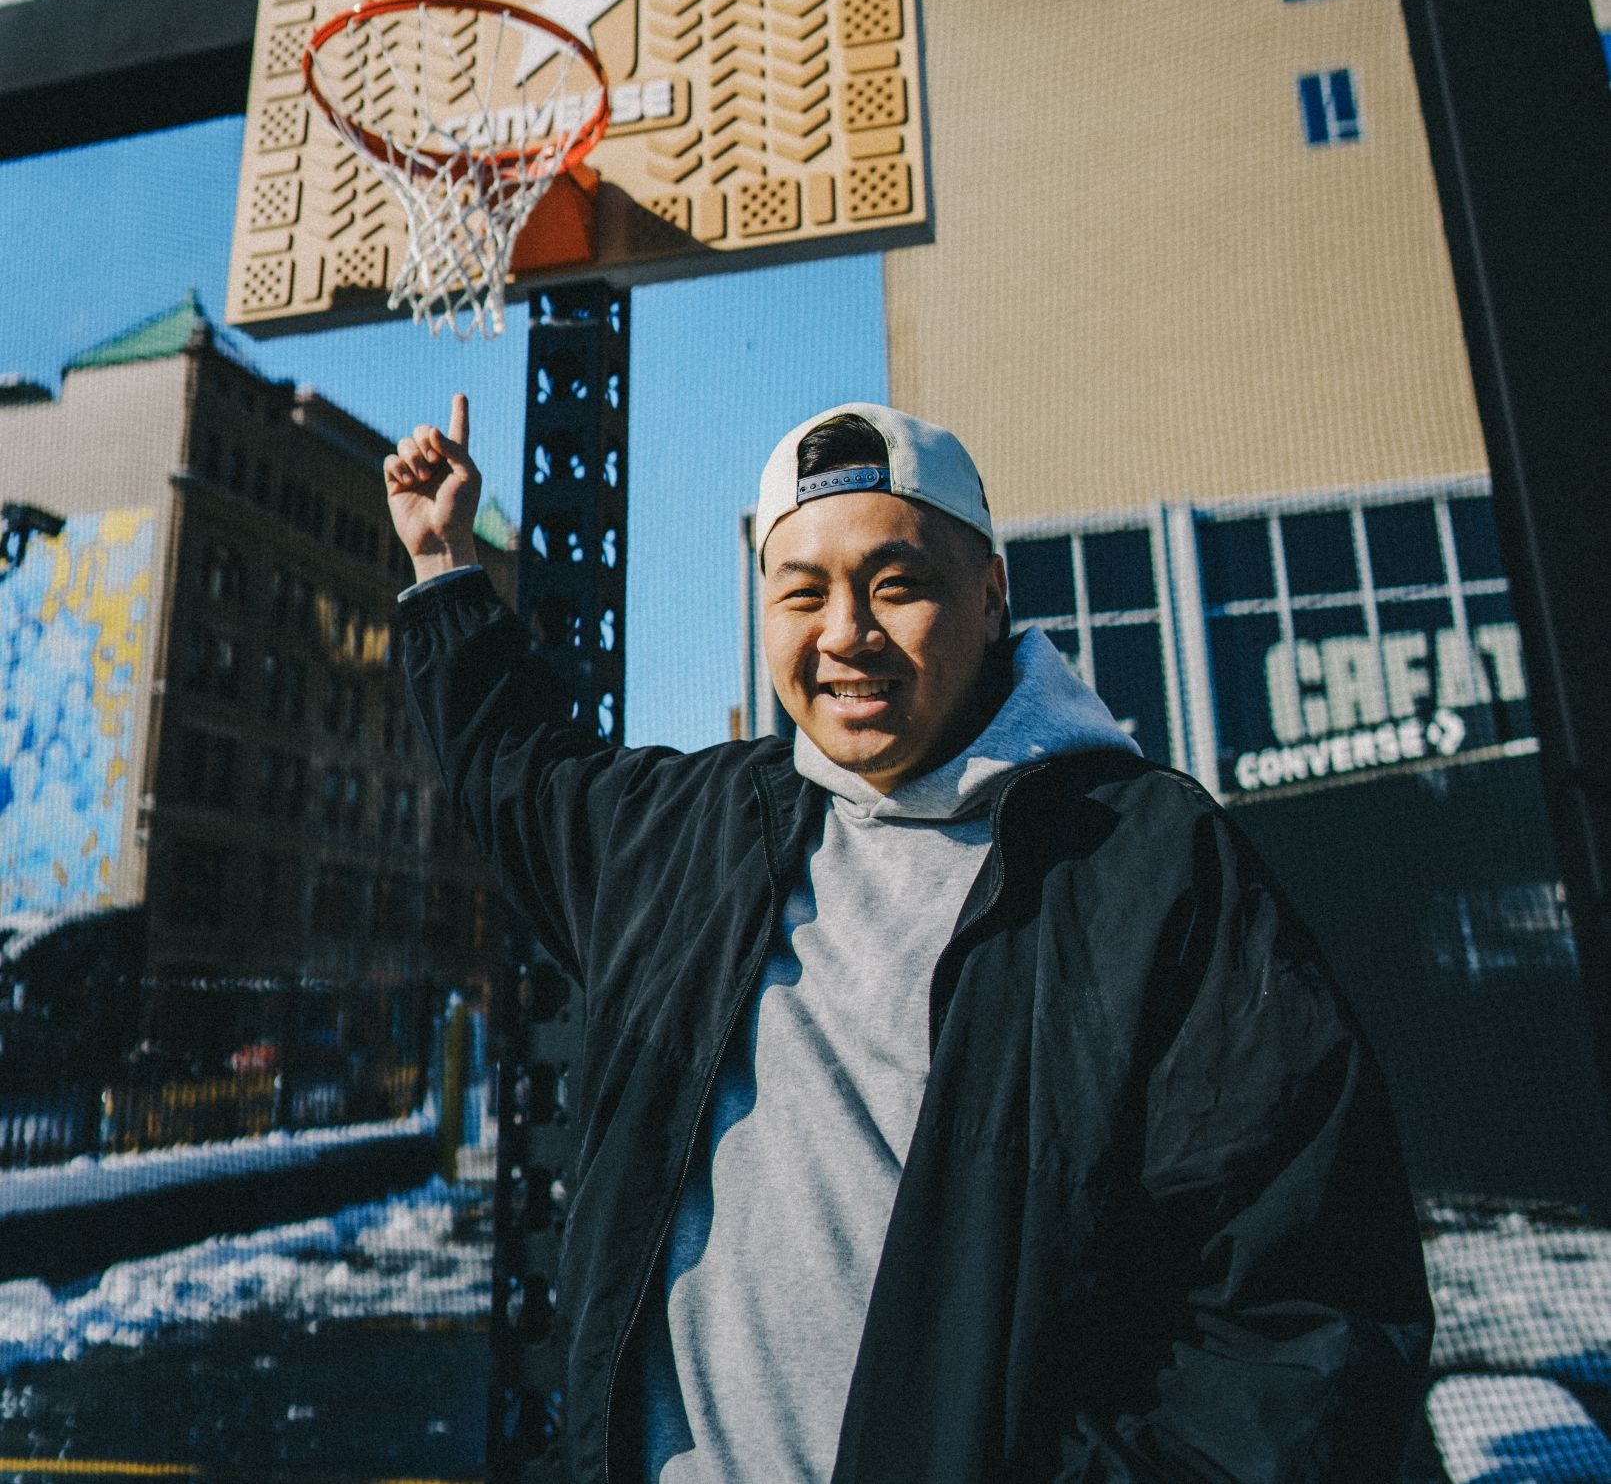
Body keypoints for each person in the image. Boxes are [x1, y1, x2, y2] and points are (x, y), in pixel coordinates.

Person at [388, 394, 1432, 1484]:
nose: (846, 634)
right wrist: (447, 569)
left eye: (896, 585)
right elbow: (521, 773)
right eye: (804, 594)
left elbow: (1302, 1314)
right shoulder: (692, 835)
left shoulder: (1149, 865)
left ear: (990, 599)